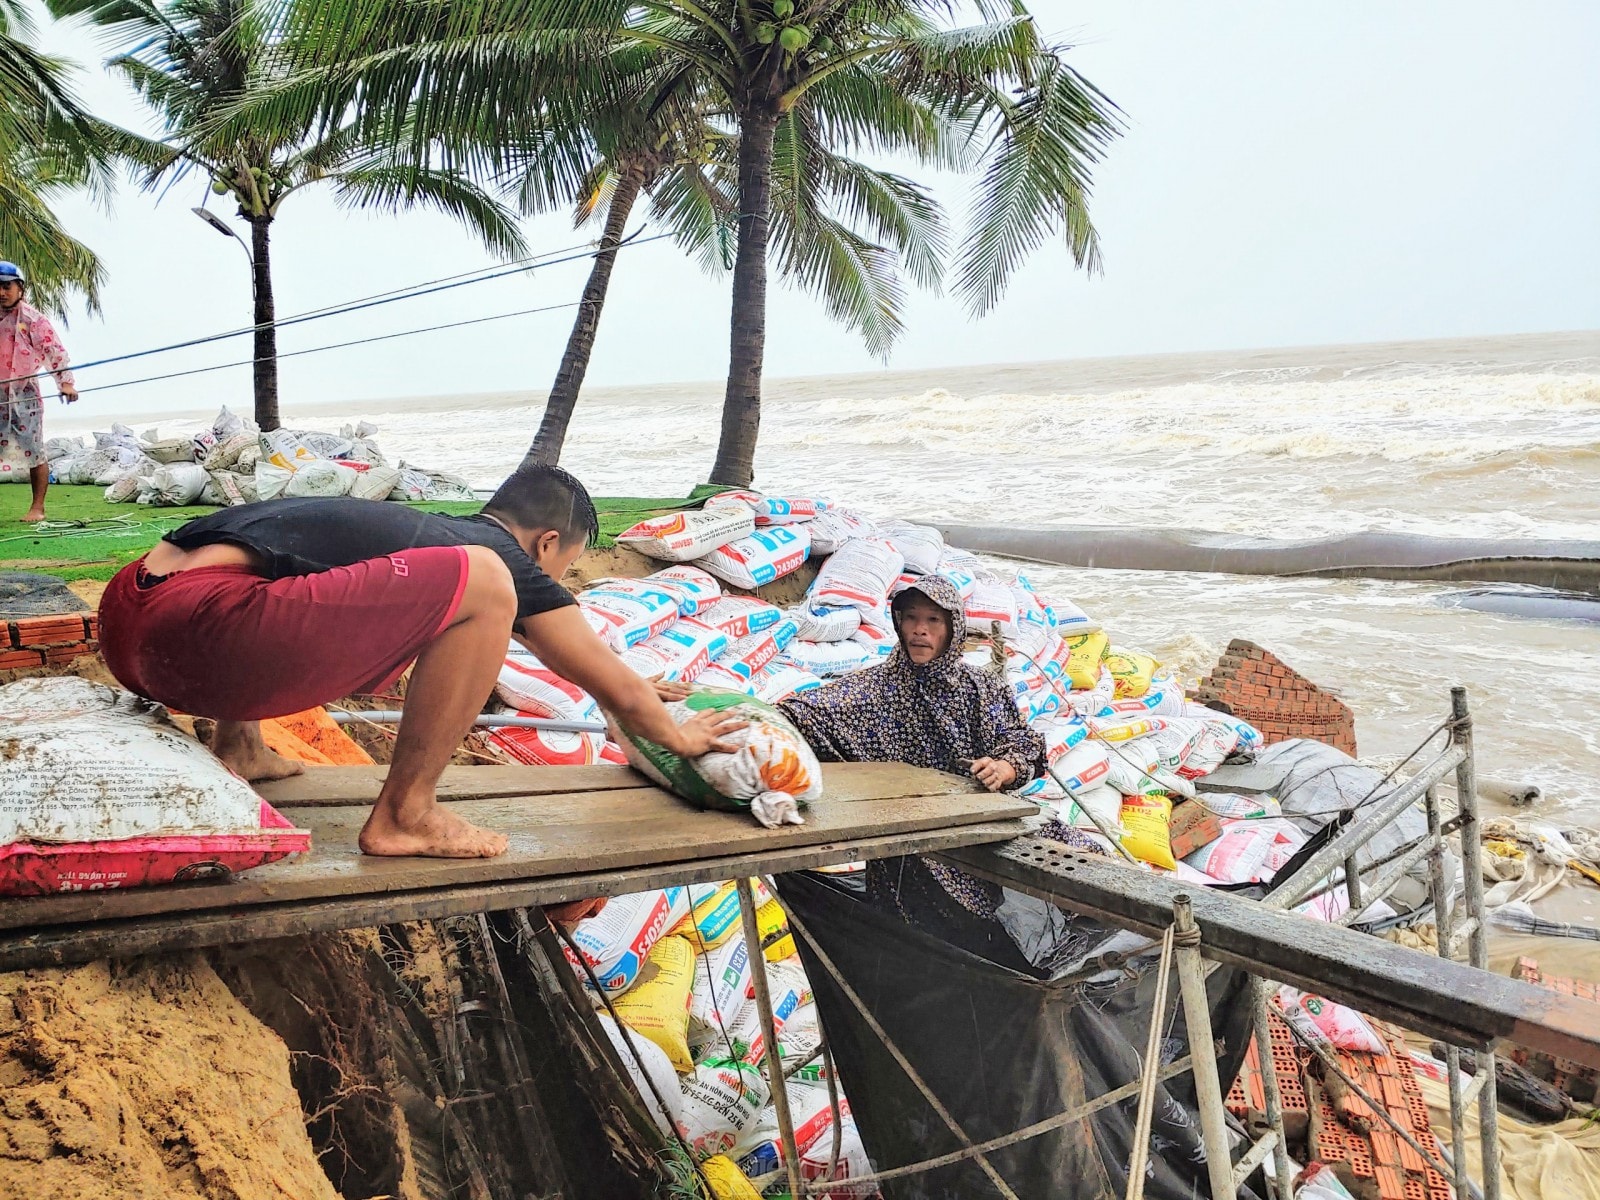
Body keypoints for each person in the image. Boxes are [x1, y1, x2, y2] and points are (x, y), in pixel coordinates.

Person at [98, 464, 745, 860]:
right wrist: (678, 734)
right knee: (488, 583)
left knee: (288, 576)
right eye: (565, 567)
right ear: (548, 542)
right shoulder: (500, 556)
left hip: (130, 619)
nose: (558, 581)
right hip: (200, 632)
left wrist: (639, 686)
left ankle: (240, 747)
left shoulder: (421, 529)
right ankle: (407, 811)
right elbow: (599, 675)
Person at [778, 576, 1048, 929]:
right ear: (898, 622)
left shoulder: (981, 688)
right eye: (911, 618)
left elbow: (1025, 744)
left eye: (933, 621)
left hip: (986, 830)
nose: (920, 630)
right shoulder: (871, 691)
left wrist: (1004, 768)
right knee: (954, 916)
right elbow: (801, 714)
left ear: (953, 629)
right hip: (909, 849)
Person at [0, 262, 77, 523]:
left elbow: (53, 351)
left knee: (34, 449)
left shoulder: (33, 319)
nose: (1, 292)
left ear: (19, 288)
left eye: (6, 286)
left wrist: (65, 383)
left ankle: (37, 507)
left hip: (24, 393)